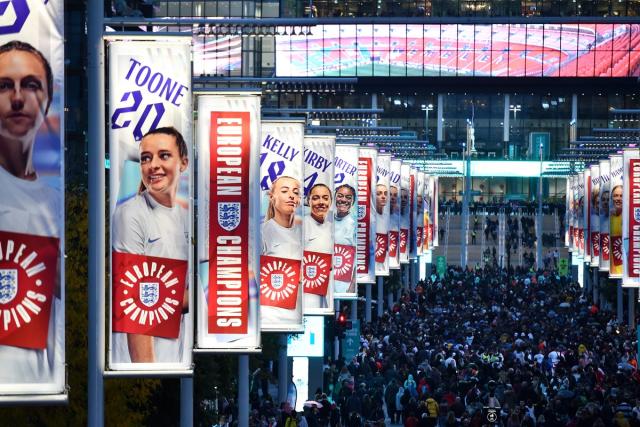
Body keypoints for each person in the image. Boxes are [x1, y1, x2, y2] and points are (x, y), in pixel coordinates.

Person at [0, 40, 64, 385]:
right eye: (4, 85)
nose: (18, 97)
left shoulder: (53, 202)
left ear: (46, 102)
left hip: (39, 377)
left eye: (31, 84)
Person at [112, 126, 189, 363]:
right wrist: (145, 374)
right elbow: (133, 298)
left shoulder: (185, 215)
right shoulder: (131, 214)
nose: (153, 165)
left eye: (163, 155)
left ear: (183, 163)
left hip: (174, 359)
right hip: (145, 369)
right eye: (146, 158)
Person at [303, 183, 333, 308]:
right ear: (308, 201)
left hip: (328, 290)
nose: (321, 202)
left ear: (331, 202)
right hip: (308, 291)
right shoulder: (302, 225)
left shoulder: (332, 227)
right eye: (315, 198)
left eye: (325, 198)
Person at [262, 175, 303, 256]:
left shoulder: (306, 231)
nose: (291, 196)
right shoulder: (262, 232)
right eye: (284, 191)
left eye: (296, 192)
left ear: (299, 199)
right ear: (271, 197)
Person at [334, 184, 357, 293]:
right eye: (340, 196)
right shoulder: (327, 220)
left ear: (352, 202)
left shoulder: (354, 225)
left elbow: (359, 260)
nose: (343, 200)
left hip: (343, 284)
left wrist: (353, 285)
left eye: (348, 198)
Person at [610, 184, 623, 274]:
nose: (618, 198)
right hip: (613, 269)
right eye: (615, 196)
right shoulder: (608, 217)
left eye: (621, 196)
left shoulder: (631, 218)